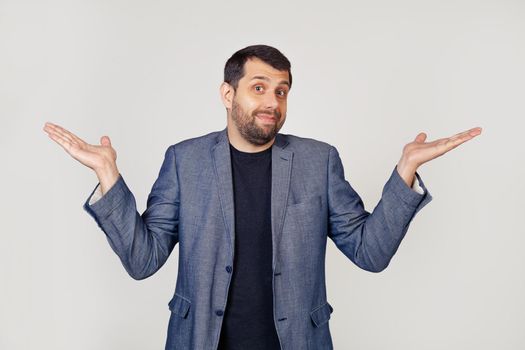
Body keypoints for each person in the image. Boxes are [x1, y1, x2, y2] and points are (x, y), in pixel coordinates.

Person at [43, 44, 482, 350]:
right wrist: (107, 174)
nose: (272, 101)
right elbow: (143, 260)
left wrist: (405, 170)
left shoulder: (318, 161)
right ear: (227, 94)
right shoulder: (184, 161)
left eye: (281, 90)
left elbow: (371, 252)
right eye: (258, 87)